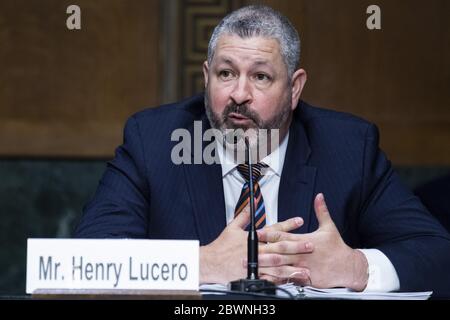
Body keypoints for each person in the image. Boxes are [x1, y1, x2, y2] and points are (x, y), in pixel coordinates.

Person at [74, 5, 450, 295]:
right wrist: (198, 264)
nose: (239, 94)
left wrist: (354, 268)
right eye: (226, 74)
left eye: (260, 76)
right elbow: (85, 262)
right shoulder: (154, 140)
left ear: (295, 88)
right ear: (206, 78)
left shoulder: (349, 148)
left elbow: (438, 255)